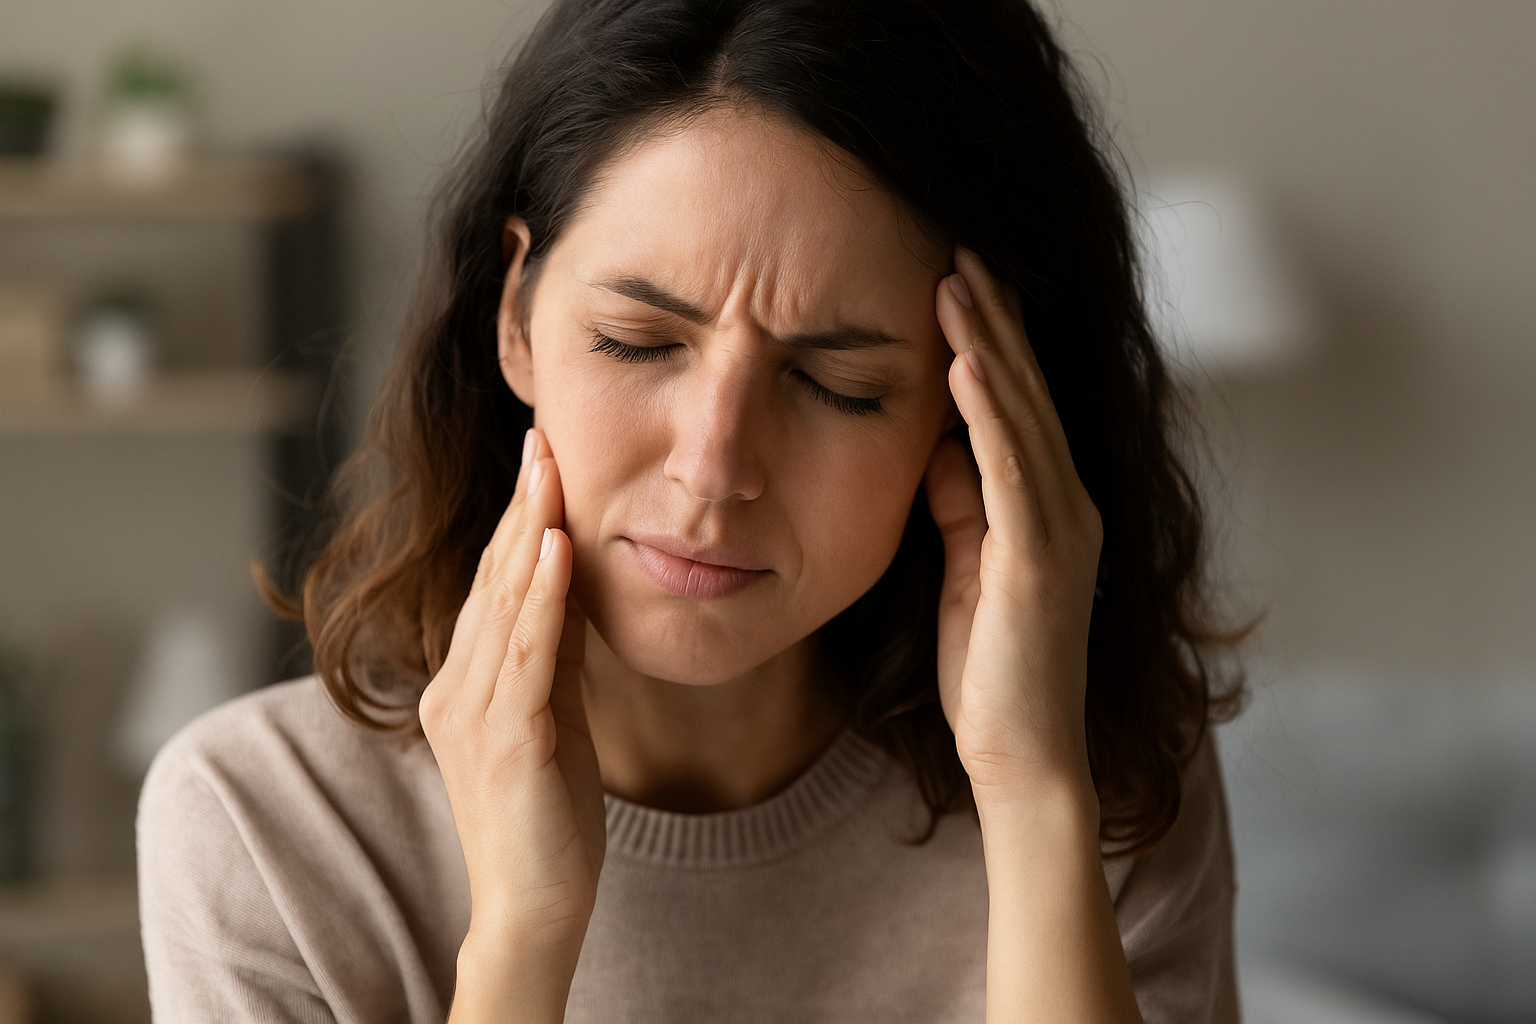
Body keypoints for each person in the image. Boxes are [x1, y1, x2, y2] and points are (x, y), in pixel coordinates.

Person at [137, 0, 1245, 1021]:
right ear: (517, 316)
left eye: (835, 386)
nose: (714, 468)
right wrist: (522, 931)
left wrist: (1037, 799)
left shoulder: (1102, 777)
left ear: (974, 412)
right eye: (638, 342)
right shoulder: (264, 826)